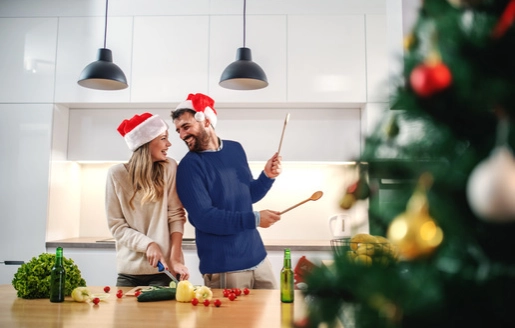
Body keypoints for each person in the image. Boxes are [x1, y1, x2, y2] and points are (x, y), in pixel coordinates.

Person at [171, 93, 282, 289]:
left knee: (274, 318)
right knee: (229, 321)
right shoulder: (189, 167)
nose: (181, 135)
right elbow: (204, 218)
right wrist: (254, 219)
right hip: (225, 268)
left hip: (258, 258)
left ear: (205, 120)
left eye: (186, 127)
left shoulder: (235, 149)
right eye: (178, 130)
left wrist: (267, 177)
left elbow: (247, 196)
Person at [105, 112, 189, 287]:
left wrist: (175, 259)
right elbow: (117, 226)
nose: (169, 144)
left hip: (165, 271)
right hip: (129, 273)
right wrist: (148, 244)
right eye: (163, 138)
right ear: (146, 142)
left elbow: (176, 215)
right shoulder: (116, 175)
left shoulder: (169, 168)